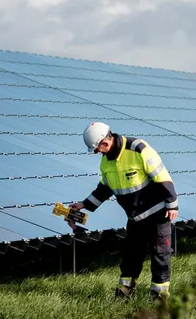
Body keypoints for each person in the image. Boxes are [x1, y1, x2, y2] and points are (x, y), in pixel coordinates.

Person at [66, 121, 179, 301]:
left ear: (105, 142)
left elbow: (162, 176)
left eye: (97, 149)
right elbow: (104, 188)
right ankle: (125, 290)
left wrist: (172, 204)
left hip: (158, 213)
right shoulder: (105, 163)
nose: (97, 153)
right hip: (135, 217)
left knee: (160, 254)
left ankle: (159, 295)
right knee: (132, 254)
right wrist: (83, 205)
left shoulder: (138, 149)